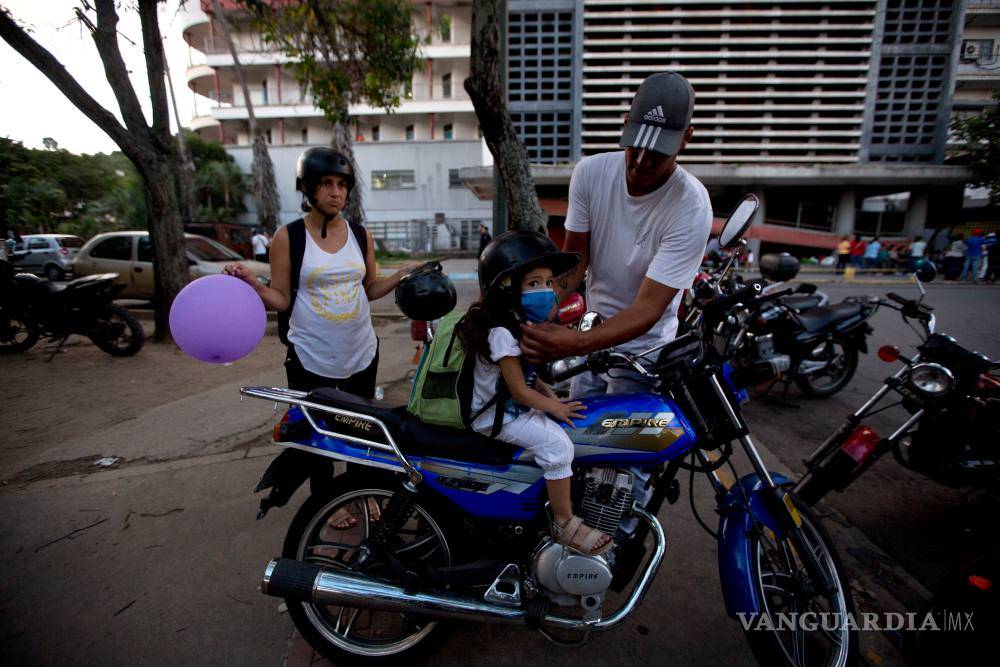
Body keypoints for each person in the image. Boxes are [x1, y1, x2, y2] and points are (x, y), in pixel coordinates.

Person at [519, 71, 713, 534]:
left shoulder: (691, 206)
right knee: (575, 445)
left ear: (686, 139)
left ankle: (614, 539)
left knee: (625, 466)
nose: (641, 161)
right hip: (592, 337)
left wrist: (568, 344)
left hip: (645, 350)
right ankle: (566, 540)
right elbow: (575, 263)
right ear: (625, 123)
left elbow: (648, 309)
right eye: (634, 144)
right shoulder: (591, 173)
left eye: (658, 152)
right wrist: (532, 309)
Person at [459, 230, 610, 555]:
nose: (546, 291)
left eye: (547, 283)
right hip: (495, 417)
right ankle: (565, 523)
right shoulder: (502, 332)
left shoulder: (516, 322)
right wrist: (554, 409)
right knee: (559, 447)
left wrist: (553, 399)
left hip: (509, 407)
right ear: (507, 288)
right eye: (533, 284)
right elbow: (518, 390)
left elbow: (530, 379)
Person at [224, 147, 421, 395]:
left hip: (361, 352)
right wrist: (256, 286)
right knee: (315, 430)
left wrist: (401, 274)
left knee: (357, 429)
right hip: (310, 356)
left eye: (342, 185)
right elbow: (282, 299)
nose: (335, 193)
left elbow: (369, 289)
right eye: (326, 183)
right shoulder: (288, 236)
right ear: (306, 187)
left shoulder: (361, 235)